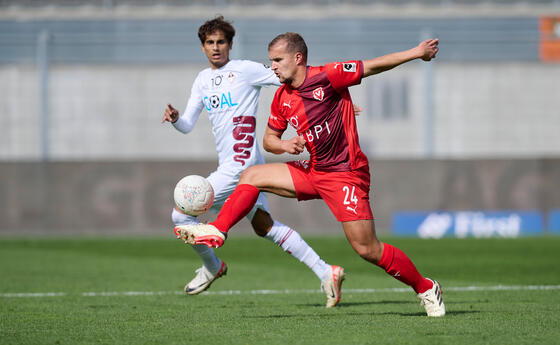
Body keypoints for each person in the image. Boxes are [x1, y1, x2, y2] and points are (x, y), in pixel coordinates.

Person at [175, 32, 446, 317]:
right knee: (252, 176)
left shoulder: (329, 76)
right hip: (315, 170)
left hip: (345, 173)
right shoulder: (282, 97)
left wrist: (417, 52)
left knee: (367, 249)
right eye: (271, 62)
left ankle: (425, 287)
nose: (273, 67)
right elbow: (268, 140)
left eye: (278, 61)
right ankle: (218, 230)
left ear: (298, 58)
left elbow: (374, 65)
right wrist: (284, 144)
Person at [162, 17, 345, 308]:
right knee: (264, 226)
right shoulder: (201, 80)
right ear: (203, 47)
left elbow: (292, 78)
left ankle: (212, 266)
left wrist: (329, 101)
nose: (216, 47)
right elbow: (187, 124)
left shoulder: (245, 70)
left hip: (239, 166)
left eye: (221, 41)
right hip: (244, 168)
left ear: (230, 44)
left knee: (180, 216)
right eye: (210, 43)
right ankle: (326, 271)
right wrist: (175, 120)